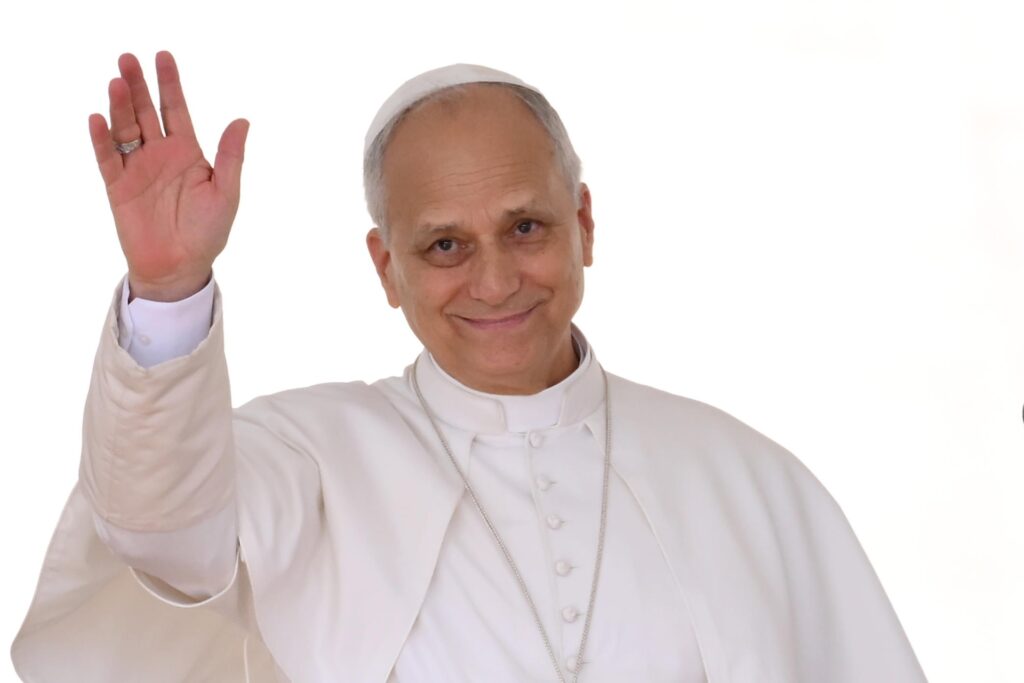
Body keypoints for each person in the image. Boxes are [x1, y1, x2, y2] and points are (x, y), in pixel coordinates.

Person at [10, 51, 928, 683]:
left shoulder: (744, 477)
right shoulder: (308, 454)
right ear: (387, 269)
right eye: (444, 244)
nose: (495, 281)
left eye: (525, 227)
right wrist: (169, 286)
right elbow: (162, 530)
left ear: (584, 224)